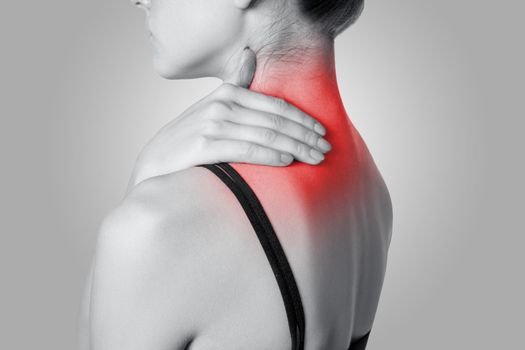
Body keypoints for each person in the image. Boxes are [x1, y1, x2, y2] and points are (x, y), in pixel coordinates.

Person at [78, 0, 393, 349]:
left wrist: (142, 180)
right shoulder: (371, 188)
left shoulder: (157, 228)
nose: (138, 0)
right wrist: (147, 169)